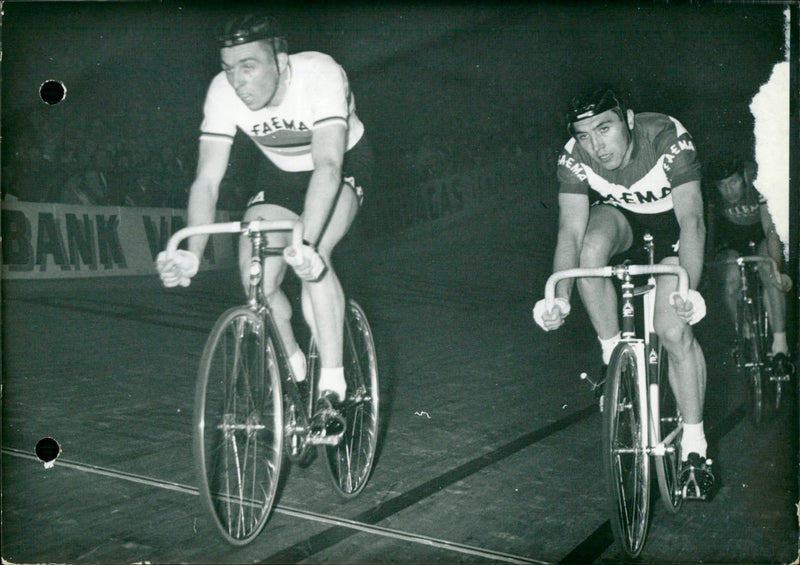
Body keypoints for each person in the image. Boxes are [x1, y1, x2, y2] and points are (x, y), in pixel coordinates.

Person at [156, 15, 374, 406]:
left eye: (248, 67)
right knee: (254, 275)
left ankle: (333, 384)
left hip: (340, 166)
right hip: (279, 174)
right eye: (228, 69)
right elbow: (206, 181)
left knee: (313, 258)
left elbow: (328, 166)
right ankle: (293, 362)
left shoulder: (320, 73)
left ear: (281, 60)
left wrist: (305, 242)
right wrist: (192, 252)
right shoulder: (222, 91)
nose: (237, 82)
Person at [532, 88, 715, 499]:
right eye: (584, 135)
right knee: (589, 249)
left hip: (677, 234)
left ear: (628, 119)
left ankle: (694, 448)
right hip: (625, 222)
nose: (596, 146)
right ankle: (612, 355)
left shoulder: (666, 136)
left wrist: (690, 289)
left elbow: (692, 221)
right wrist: (559, 297)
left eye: (604, 128)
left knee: (671, 330)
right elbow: (570, 231)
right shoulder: (574, 157)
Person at [705, 155, 793, 374]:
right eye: (723, 186)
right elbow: (709, 233)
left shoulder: (758, 180)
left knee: (768, 267)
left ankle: (780, 345)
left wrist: (777, 270)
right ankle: (744, 335)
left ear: (743, 177)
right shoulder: (710, 193)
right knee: (729, 275)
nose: (729, 191)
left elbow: (771, 229)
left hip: (760, 233)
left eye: (733, 183)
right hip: (730, 240)